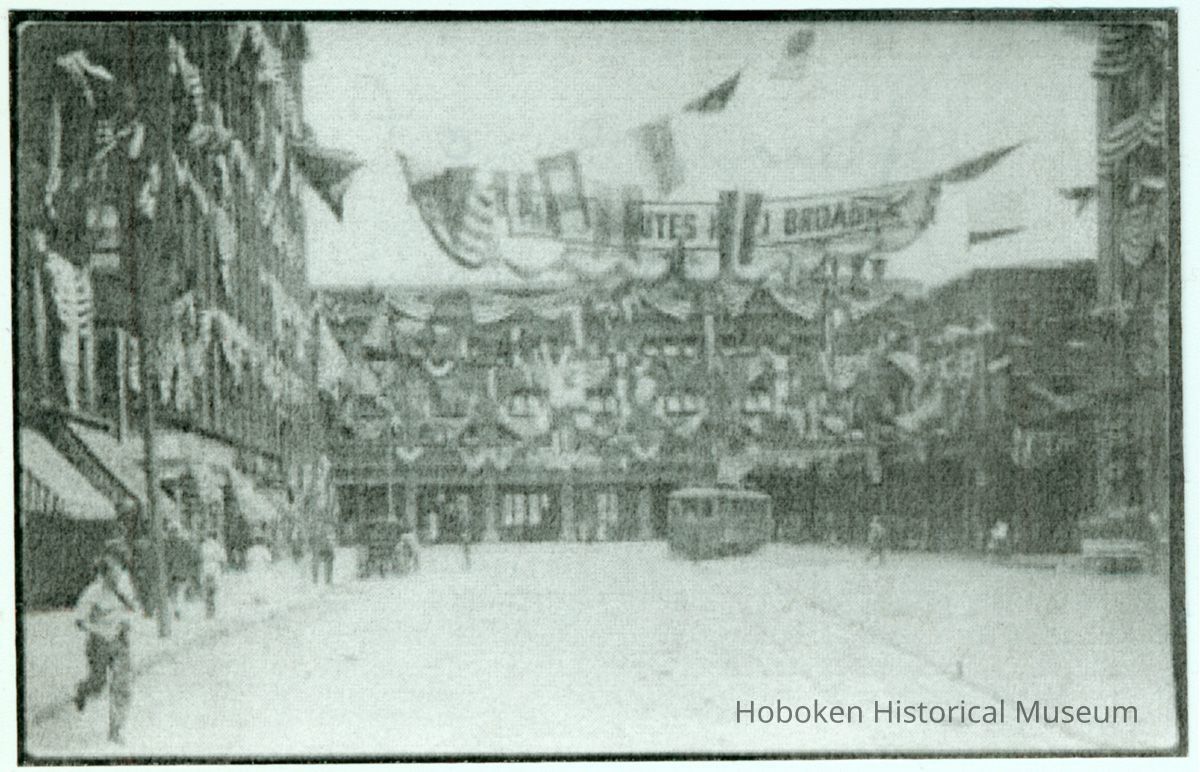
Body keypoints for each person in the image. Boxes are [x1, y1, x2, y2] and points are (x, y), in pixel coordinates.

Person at [73, 541, 139, 744]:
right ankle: (83, 691)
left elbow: (132, 609)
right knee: (98, 684)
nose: (118, 575)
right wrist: (99, 631)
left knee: (122, 686)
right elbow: (80, 620)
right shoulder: (93, 592)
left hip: (120, 642)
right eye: (113, 571)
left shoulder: (124, 586)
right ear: (104, 573)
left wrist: (127, 623)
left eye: (120, 569)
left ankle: (116, 730)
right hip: (99, 644)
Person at [200, 532, 227, 619]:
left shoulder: (203, 546)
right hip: (215, 568)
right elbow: (223, 559)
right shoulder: (218, 546)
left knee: (207, 589)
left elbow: (200, 558)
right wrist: (223, 570)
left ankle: (208, 609)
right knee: (214, 589)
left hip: (206, 567)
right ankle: (213, 609)